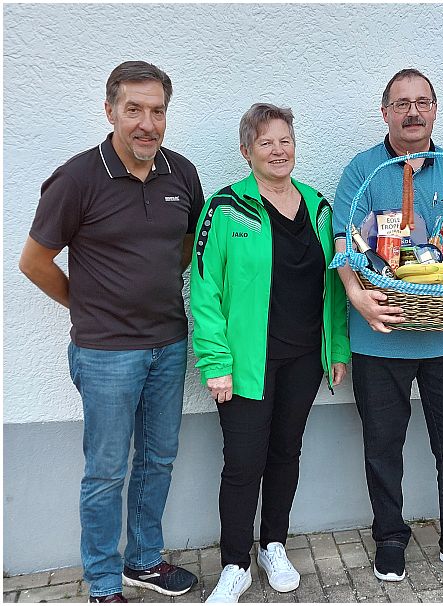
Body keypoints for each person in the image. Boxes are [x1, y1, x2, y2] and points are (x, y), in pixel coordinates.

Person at [18, 61, 202, 602]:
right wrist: (88, 304)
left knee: (158, 460)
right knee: (105, 471)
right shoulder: (77, 178)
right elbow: (34, 262)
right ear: (110, 112)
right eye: (134, 110)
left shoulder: (182, 173)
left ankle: (144, 561)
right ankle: (102, 582)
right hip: (106, 354)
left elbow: (187, 245)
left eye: (157, 111)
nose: (147, 123)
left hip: (169, 344)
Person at [331, 68, 443, 584]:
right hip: (380, 336)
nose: (413, 112)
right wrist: (357, 298)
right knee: (383, 446)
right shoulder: (362, 171)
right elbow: (342, 242)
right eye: (402, 103)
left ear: (434, 109)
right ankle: (389, 536)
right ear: (385, 112)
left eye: (422, 102)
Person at [191, 103, 350, 602]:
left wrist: (337, 348)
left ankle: (273, 544)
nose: (278, 151)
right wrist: (215, 362)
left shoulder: (319, 207)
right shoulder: (224, 208)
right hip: (246, 365)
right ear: (247, 151)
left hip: (304, 359)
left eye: (286, 141)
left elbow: (336, 285)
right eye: (266, 142)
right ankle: (235, 564)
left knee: (286, 452)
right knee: (243, 463)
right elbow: (204, 291)